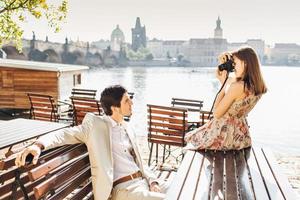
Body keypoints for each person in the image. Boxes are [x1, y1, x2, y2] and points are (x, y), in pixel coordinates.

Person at [15, 85, 169, 200]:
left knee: (186, 190)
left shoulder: (127, 127)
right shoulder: (95, 126)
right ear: (114, 108)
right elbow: (64, 134)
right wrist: (38, 145)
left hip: (143, 181)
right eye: (127, 100)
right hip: (124, 190)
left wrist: (153, 181)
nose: (132, 103)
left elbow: (141, 163)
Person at [185, 47, 267, 150]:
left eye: (235, 63)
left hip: (223, 136)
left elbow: (216, 114)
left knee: (190, 138)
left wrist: (223, 85)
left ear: (245, 63)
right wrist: (224, 79)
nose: (233, 67)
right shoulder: (257, 86)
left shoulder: (237, 86)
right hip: (242, 137)